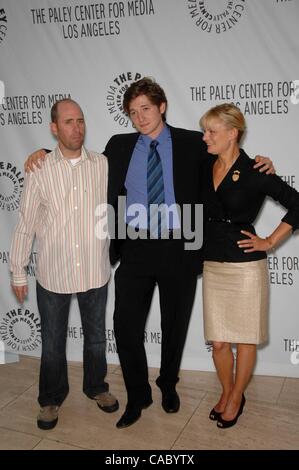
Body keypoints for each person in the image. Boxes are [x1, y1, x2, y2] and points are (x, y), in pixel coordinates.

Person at [24, 78, 273, 429]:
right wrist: (45, 154)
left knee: (174, 326)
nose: (139, 117)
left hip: (180, 247)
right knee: (125, 328)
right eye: (132, 112)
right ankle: (137, 396)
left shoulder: (192, 142)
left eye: (145, 108)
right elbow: (82, 161)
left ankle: (168, 386)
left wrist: (257, 162)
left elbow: (227, 157)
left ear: (162, 107)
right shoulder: (120, 145)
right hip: (136, 247)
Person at [10, 99, 119, 431]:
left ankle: (96, 387)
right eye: (69, 122)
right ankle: (50, 399)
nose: (77, 127)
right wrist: (17, 270)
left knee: (97, 338)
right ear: (54, 128)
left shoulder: (102, 164)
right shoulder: (39, 168)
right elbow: (26, 222)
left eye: (81, 120)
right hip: (53, 274)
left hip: (94, 271)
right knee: (53, 343)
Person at [199, 103, 299, 428]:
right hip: (213, 264)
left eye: (212, 131)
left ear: (233, 134)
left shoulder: (256, 170)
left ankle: (236, 395)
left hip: (246, 269)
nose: (205, 137)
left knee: (244, 340)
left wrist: (270, 241)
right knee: (218, 342)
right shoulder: (203, 165)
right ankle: (229, 391)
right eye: (205, 130)